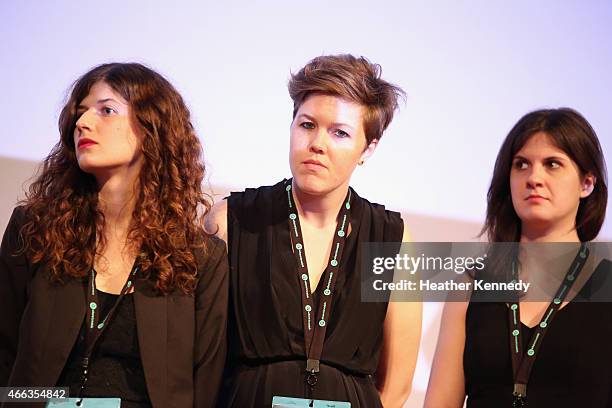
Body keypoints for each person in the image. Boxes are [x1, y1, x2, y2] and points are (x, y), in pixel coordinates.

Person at [0, 63, 228, 408]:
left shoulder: (199, 257)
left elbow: (206, 383)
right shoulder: (35, 228)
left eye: (106, 110)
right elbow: (5, 355)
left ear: (152, 128)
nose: (83, 122)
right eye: (80, 112)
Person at [207, 54, 421, 408]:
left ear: (368, 148)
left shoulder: (392, 239)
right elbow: (197, 358)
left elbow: (396, 386)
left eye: (339, 132)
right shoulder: (232, 221)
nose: (317, 144)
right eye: (307, 125)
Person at [425, 108, 610, 407]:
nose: (534, 177)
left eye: (552, 164)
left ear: (587, 183)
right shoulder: (472, 285)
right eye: (521, 164)